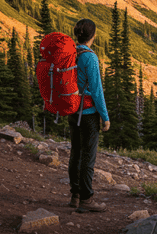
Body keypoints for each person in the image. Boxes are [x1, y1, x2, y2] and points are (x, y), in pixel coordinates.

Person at [68, 18, 110, 212]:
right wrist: (105, 116)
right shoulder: (90, 57)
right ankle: (86, 199)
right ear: (93, 36)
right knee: (88, 157)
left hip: (72, 110)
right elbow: (96, 90)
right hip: (88, 114)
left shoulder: (71, 53)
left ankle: (75, 196)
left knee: (75, 153)